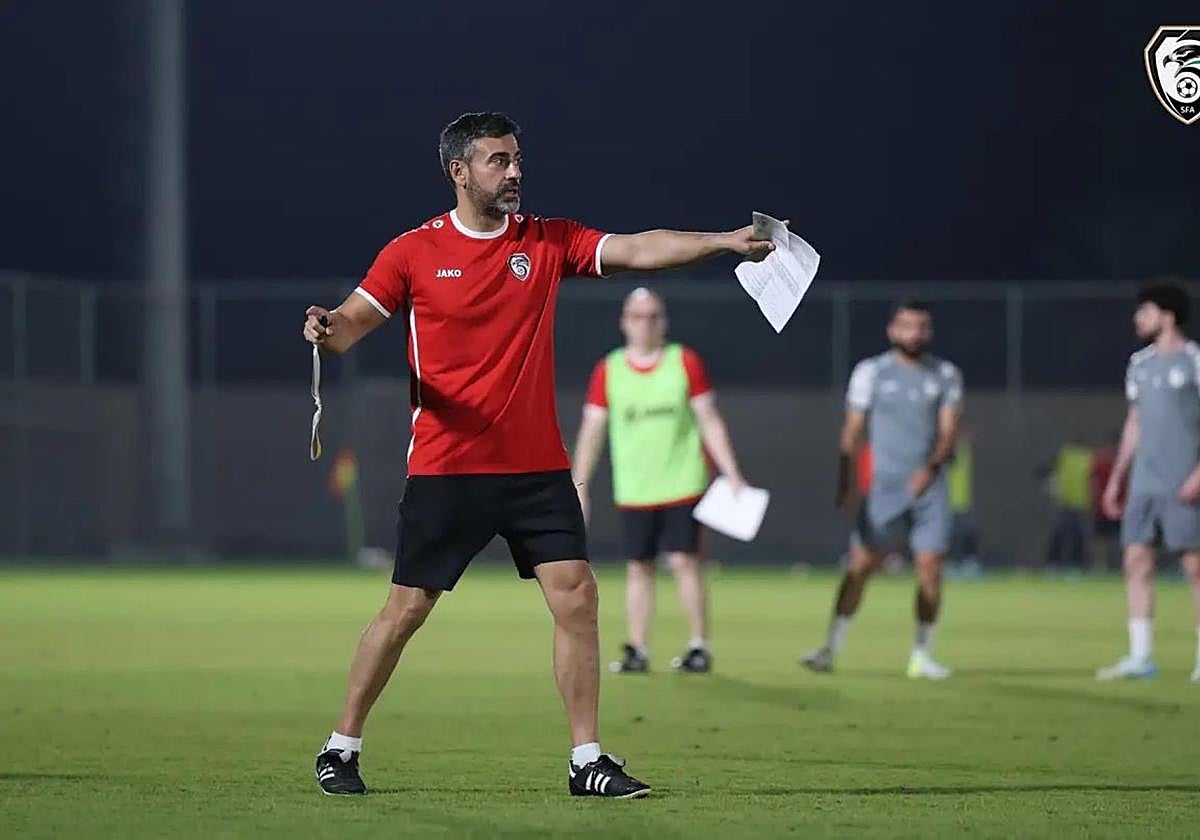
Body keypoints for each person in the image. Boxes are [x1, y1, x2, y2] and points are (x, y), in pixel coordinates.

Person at [301, 112, 776, 798]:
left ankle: (587, 761)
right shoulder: (412, 252)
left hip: (535, 469)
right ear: (460, 172)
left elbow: (641, 248)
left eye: (518, 159)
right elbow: (347, 329)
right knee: (406, 609)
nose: (515, 171)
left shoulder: (548, 241)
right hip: (448, 468)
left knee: (578, 598)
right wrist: (324, 326)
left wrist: (723, 243)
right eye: (498, 161)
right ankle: (340, 748)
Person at [572, 288, 747, 675]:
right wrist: (579, 483)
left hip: (683, 482)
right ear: (624, 321)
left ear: (663, 321)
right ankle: (637, 647)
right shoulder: (609, 369)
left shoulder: (683, 362)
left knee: (685, 562)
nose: (645, 323)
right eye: (637, 316)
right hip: (635, 487)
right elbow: (592, 431)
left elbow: (709, 420)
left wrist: (732, 471)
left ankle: (698, 645)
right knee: (639, 566)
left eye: (653, 316)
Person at [801, 301, 963, 679]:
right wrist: (846, 484)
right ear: (892, 330)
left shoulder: (945, 374)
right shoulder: (871, 372)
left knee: (930, 570)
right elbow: (852, 433)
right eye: (907, 326)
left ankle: (922, 656)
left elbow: (949, 429)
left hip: (930, 489)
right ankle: (830, 648)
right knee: (858, 568)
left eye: (922, 327)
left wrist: (931, 468)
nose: (914, 334)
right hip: (883, 490)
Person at [1097, 283, 1200, 682]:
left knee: (1194, 569)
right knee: (1135, 563)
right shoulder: (1139, 364)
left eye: (1146, 311)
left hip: (1183, 482)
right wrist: (1117, 478)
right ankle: (1141, 657)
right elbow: (1135, 422)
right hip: (1144, 485)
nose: (1138, 319)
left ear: (1168, 316)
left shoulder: (1194, 360)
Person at [1043, 435, 1093, 570]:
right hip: (1065, 501)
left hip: (1079, 502)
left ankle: (1074, 564)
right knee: (1060, 533)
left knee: (1077, 535)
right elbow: (1050, 468)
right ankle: (1054, 563)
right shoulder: (1066, 455)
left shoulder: (1087, 457)